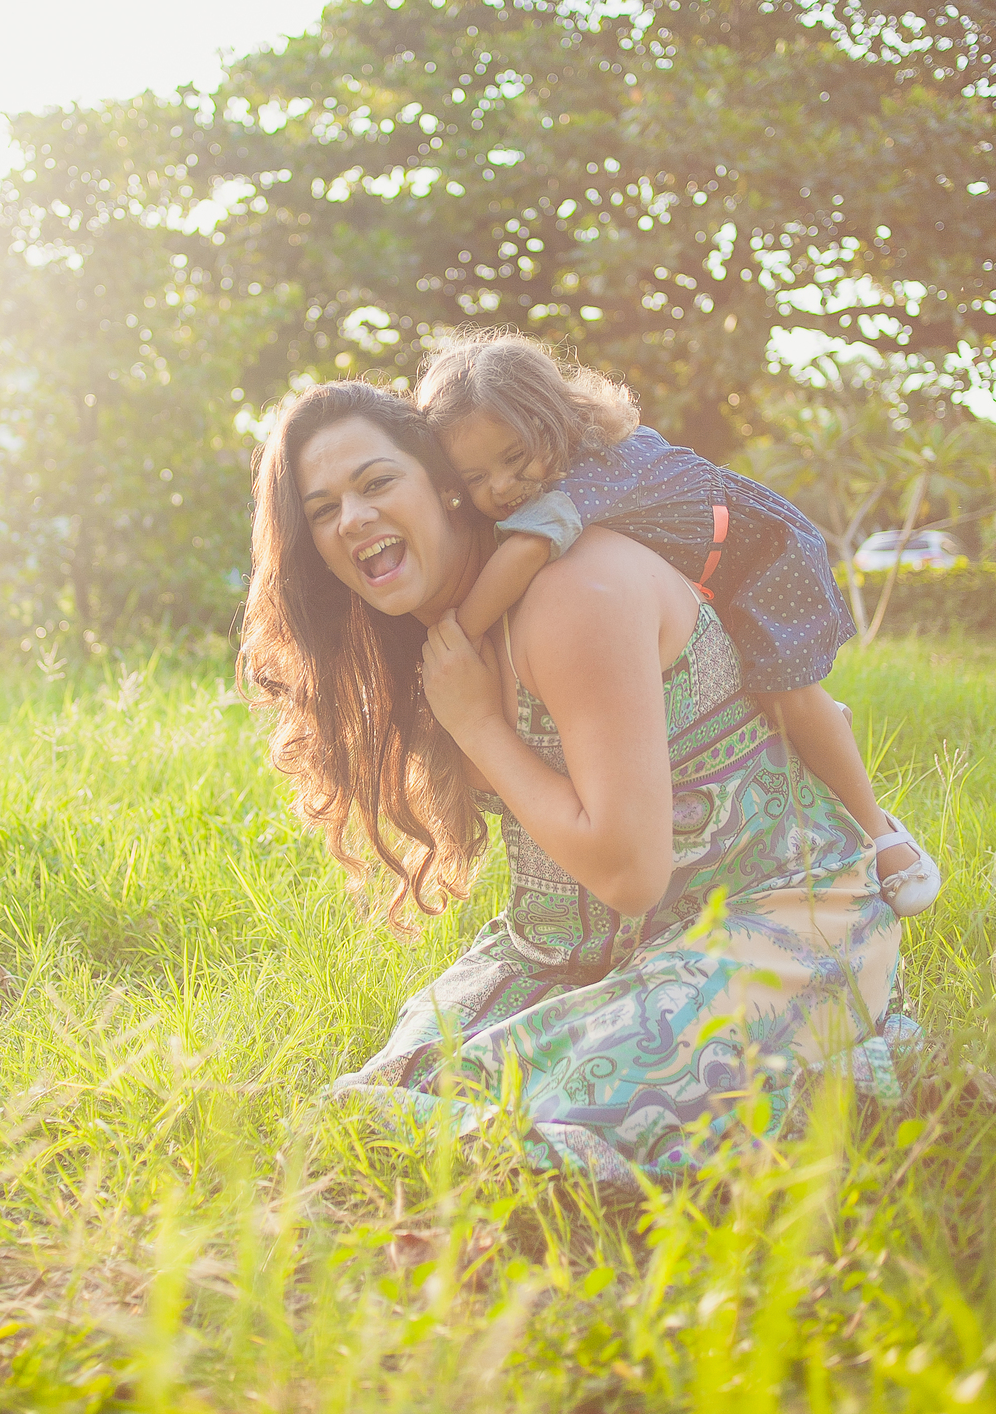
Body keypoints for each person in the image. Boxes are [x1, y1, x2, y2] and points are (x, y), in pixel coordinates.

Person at [240, 380, 908, 1184]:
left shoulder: (570, 594)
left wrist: (479, 726)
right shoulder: (449, 639)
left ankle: (846, 1055)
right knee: (393, 1098)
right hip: (583, 951)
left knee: (525, 1125)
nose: (352, 520)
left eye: (377, 483)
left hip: (780, 925)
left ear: (447, 487)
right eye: (321, 509)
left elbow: (631, 875)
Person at [415, 331, 940, 919]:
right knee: (752, 696)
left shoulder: (588, 468)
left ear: (552, 421)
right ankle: (804, 740)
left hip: (757, 558)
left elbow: (522, 555)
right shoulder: (545, 481)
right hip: (706, 570)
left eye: (512, 459)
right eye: (474, 480)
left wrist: (456, 635)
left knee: (789, 696)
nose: (501, 488)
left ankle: (881, 834)